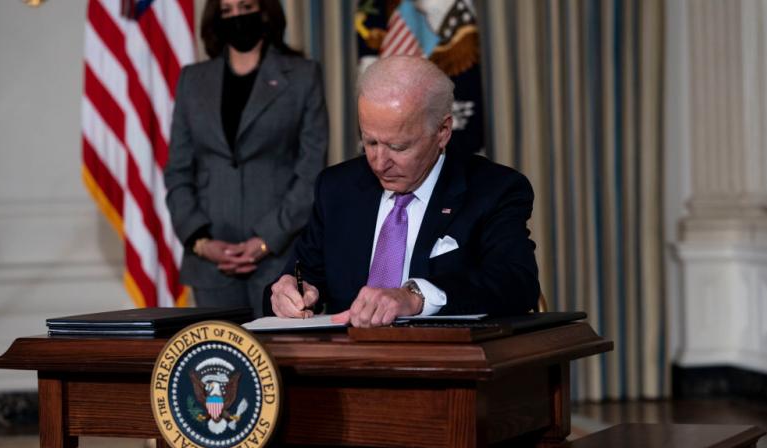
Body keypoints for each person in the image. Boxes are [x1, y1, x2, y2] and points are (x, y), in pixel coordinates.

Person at [267, 56, 539, 327]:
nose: (379, 161)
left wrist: (414, 297)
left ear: (442, 131)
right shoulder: (338, 188)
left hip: (442, 362)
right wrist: (289, 291)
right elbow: (303, 273)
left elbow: (516, 282)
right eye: (370, 142)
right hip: (346, 361)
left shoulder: (493, 190)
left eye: (398, 147)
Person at [165, 0, 328, 316]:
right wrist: (201, 241)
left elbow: (311, 171)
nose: (237, 17)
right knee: (219, 362)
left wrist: (266, 239)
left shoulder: (303, 76)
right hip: (211, 265)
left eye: (245, 6)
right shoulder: (192, 80)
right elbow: (178, 171)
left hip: (279, 258)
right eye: (227, 11)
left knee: (278, 361)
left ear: (265, 12)